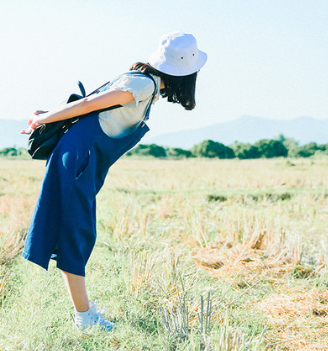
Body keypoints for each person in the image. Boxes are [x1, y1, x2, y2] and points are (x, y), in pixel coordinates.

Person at [21, 32, 207, 331]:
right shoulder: (143, 84)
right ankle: (84, 318)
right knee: (76, 232)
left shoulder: (147, 86)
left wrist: (47, 116)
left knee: (77, 230)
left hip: (85, 159)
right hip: (80, 158)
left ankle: (84, 310)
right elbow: (88, 105)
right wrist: (44, 119)